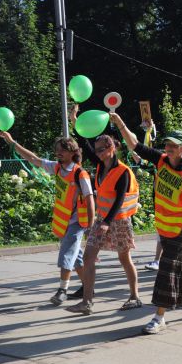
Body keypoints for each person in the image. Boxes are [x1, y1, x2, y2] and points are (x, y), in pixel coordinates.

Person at [110, 112, 182, 333]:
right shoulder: (160, 160)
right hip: (165, 225)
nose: (168, 148)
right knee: (181, 267)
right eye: (167, 144)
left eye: (173, 145)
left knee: (167, 268)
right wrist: (121, 123)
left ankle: (159, 317)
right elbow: (135, 145)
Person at [0, 132, 94, 305]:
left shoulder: (80, 174)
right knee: (77, 258)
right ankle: (88, 287)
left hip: (77, 223)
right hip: (64, 222)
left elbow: (90, 200)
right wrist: (12, 142)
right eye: (57, 150)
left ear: (73, 152)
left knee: (66, 254)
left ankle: (62, 290)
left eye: (62, 150)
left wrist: (91, 226)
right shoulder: (57, 168)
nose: (58, 153)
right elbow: (33, 158)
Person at [66, 109, 141, 315]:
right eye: (97, 150)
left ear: (111, 148)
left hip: (118, 221)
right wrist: (75, 122)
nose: (98, 153)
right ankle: (87, 302)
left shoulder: (123, 171)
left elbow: (118, 200)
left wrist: (107, 220)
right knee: (88, 257)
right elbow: (85, 145)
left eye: (101, 149)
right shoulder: (100, 165)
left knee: (124, 259)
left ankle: (134, 297)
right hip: (102, 219)